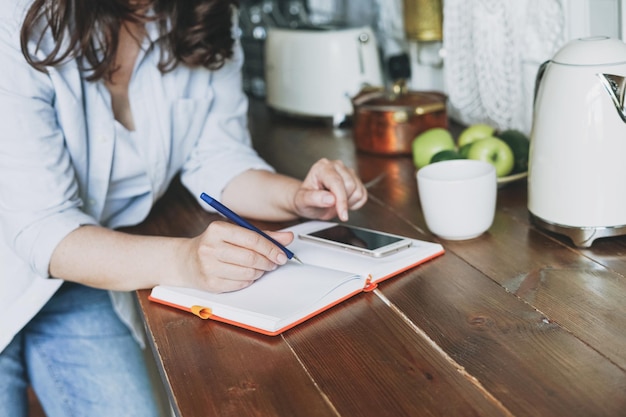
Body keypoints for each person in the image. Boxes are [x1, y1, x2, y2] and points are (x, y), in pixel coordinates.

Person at [0, 0, 368, 415]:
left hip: (81, 280)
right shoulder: (14, 19)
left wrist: (296, 197)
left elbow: (215, 156)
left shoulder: (205, 14)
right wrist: (186, 260)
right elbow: (44, 227)